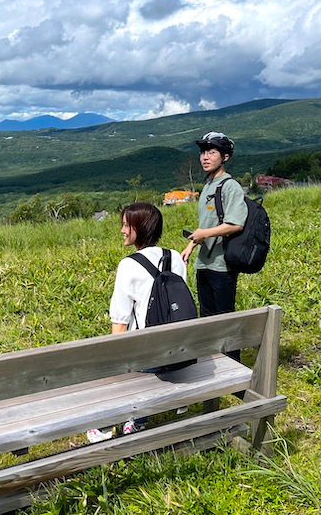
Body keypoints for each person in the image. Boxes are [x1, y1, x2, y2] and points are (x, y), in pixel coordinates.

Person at [86, 202, 188, 443]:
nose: (122, 230)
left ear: (140, 228)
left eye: (126, 225)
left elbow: (120, 322)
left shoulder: (128, 265)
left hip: (147, 358)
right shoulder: (175, 257)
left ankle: (107, 424)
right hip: (178, 351)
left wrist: (114, 364)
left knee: (106, 365)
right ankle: (138, 420)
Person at [182, 132, 248, 322]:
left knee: (224, 320)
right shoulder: (208, 185)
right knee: (206, 318)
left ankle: (231, 345)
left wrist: (204, 233)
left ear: (225, 157)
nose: (205, 157)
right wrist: (191, 246)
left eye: (212, 152)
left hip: (222, 265)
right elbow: (208, 223)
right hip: (204, 263)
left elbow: (236, 224)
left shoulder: (230, 186)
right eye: (203, 152)